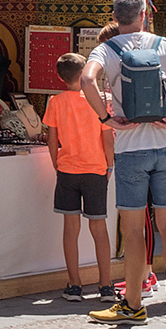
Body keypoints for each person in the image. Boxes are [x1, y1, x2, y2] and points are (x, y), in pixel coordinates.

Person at [79, 0, 166, 328]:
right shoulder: (164, 44)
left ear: (116, 16)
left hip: (130, 148)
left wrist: (106, 118)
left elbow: (86, 79)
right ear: (143, 15)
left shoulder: (106, 49)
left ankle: (133, 304)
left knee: (134, 230)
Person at [45, 54, 115, 301]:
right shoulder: (100, 101)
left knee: (70, 227)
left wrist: (56, 164)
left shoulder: (55, 102)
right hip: (95, 169)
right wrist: (109, 165)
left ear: (60, 77)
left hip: (67, 169)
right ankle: (105, 285)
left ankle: (74, 284)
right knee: (99, 227)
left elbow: (52, 139)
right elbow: (107, 138)